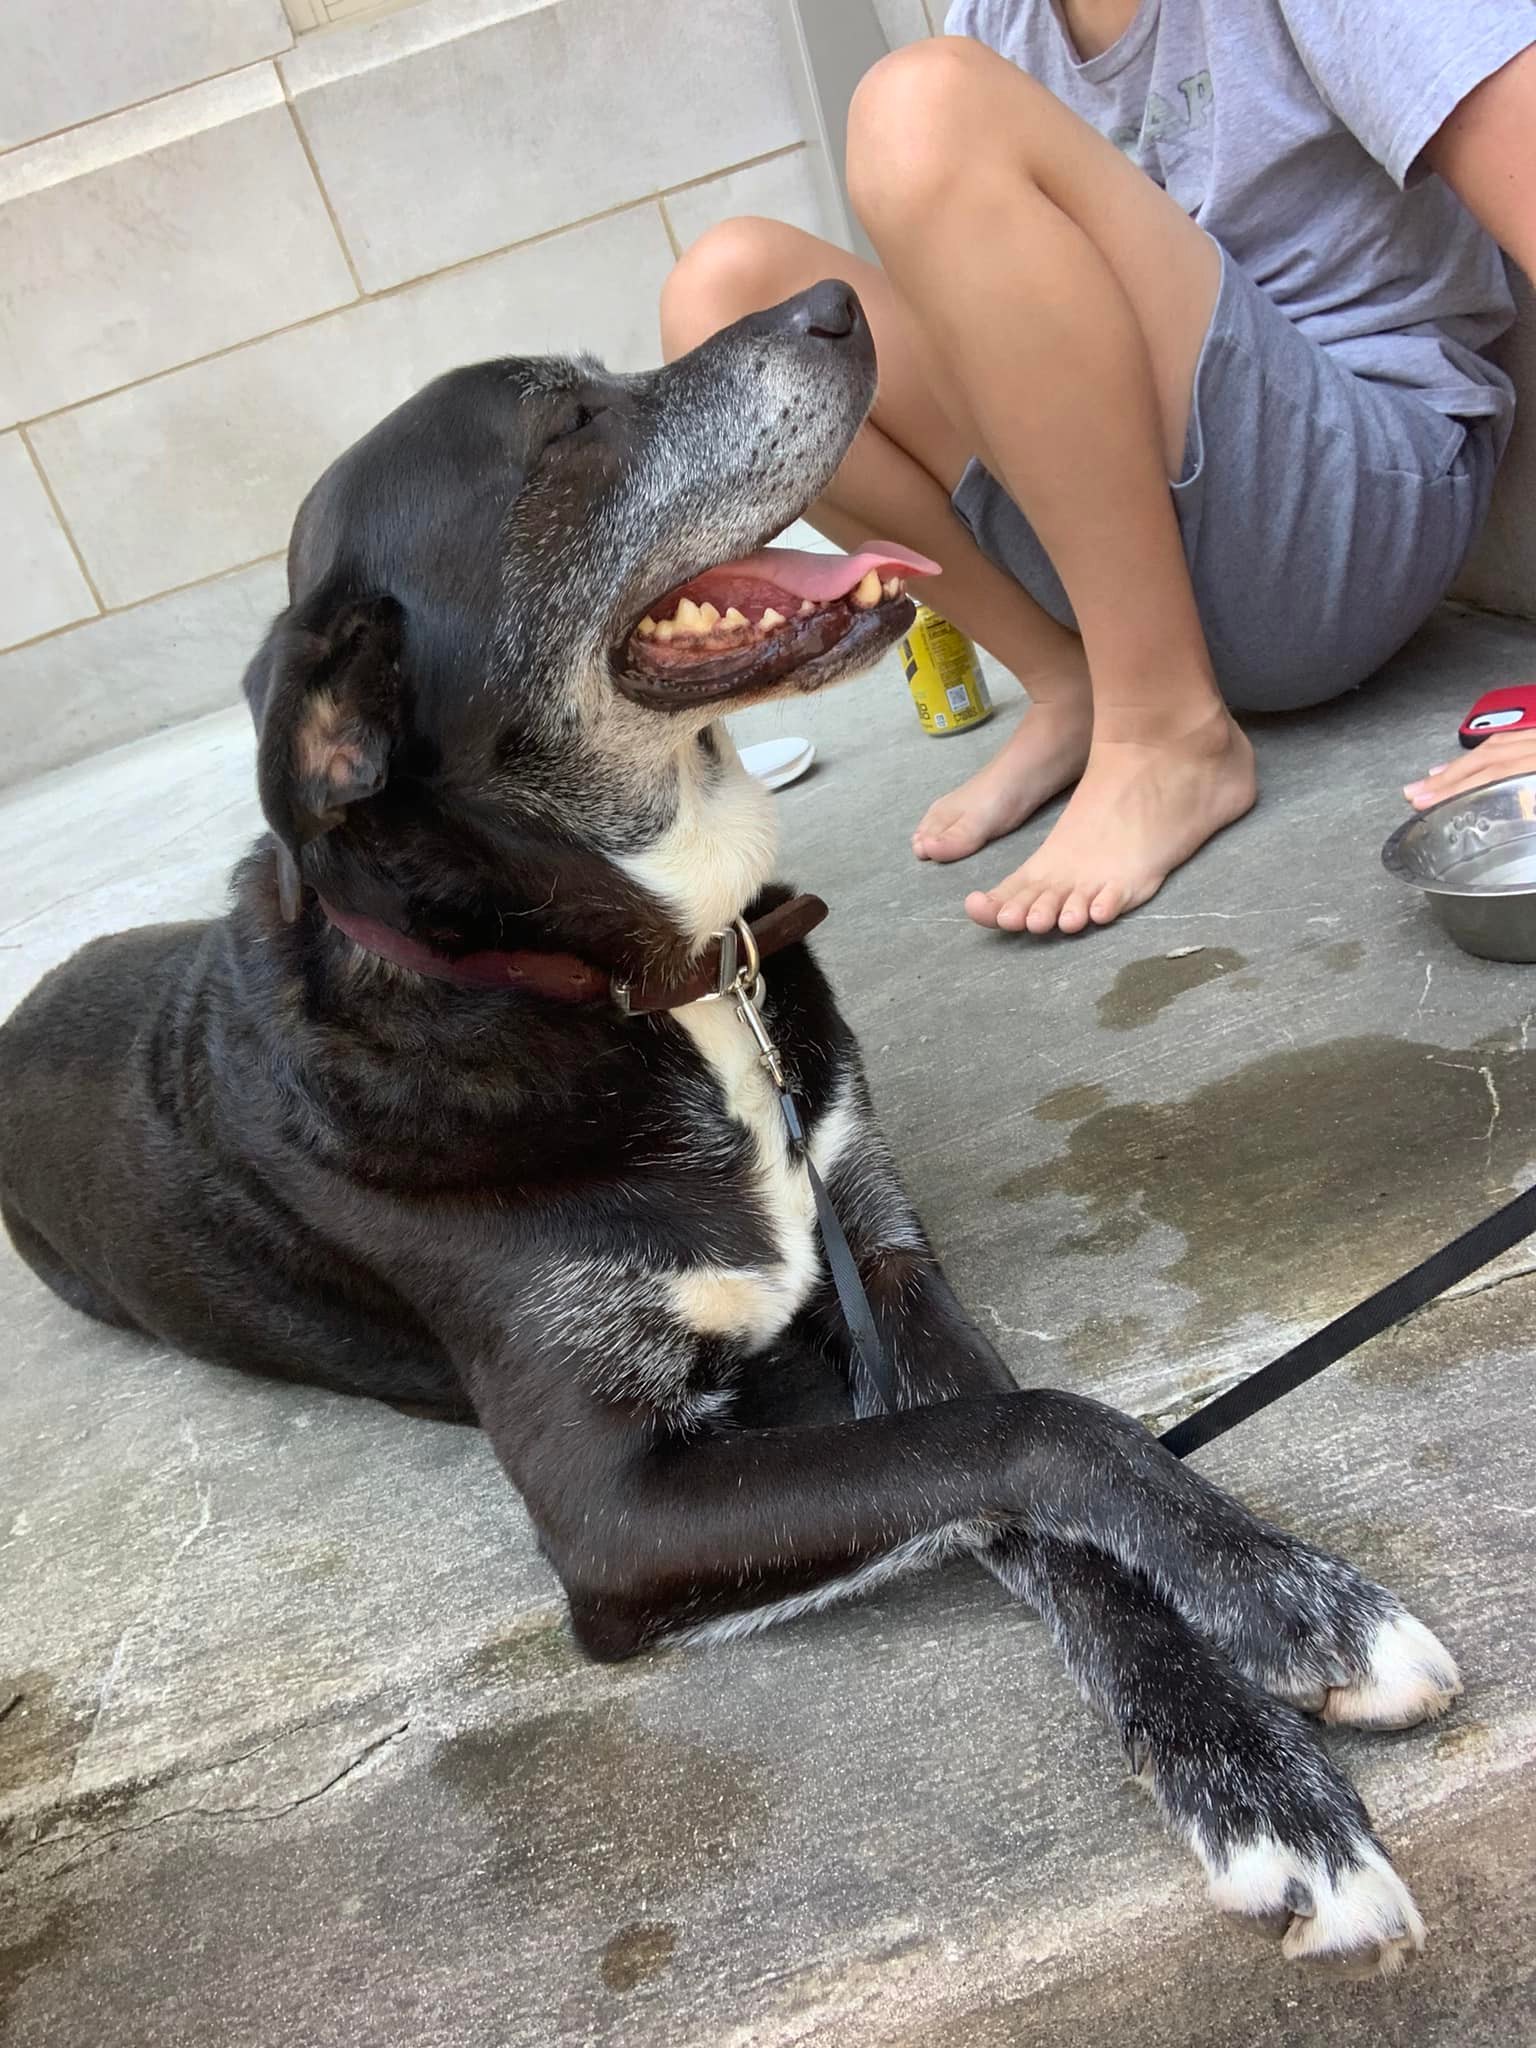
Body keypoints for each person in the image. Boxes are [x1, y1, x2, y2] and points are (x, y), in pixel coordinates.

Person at [659, 3, 1536, 935]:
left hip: (1350, 519)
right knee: (729, 294)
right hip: (1158, 556)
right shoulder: (1002, 18)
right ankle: (1074, 684)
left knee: (923, 104)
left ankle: (1168, 727)